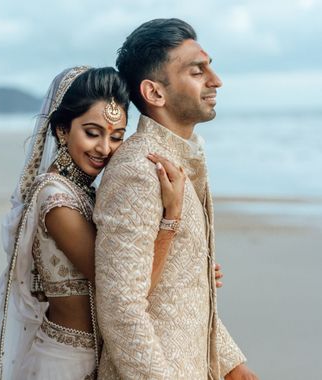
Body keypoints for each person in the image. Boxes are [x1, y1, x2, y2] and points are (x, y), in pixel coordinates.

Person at [0, 66, 224, 379]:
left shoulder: (85, 192)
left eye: (117, 137)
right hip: (66, 363)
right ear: (62, 129)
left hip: (98, 357)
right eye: (92, 132)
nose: (104, 149)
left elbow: (130, 262)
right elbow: (123, 287)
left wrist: (192, 270)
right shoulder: (54, 199)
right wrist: (171, 218)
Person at [94, 19, 258, 379]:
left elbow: (178, 286)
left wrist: (230, 362)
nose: (216, 81)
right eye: (198, 71)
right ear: (154, 93)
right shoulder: (139, 170)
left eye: (210, 68)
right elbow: (121, 306)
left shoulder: (181, 160)